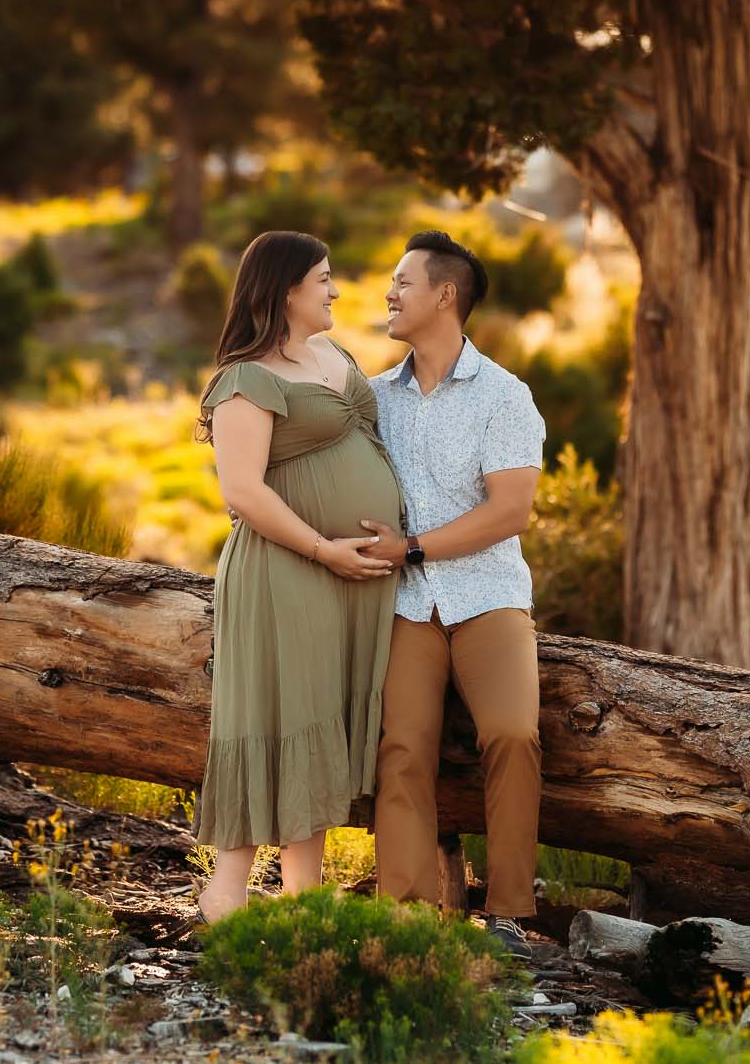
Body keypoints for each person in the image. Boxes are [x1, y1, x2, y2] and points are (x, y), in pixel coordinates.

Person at [191, 230, 406, 922]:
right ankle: (225, 893)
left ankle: (302, 895)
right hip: (288, 569)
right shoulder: (245, 379)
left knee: (319, 719)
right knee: (276, 716)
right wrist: (324, 549)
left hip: (351, 578)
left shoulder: (333, 356)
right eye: (323, 277)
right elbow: (243, 492)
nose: (335, 289)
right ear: (286, 289)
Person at [360, 229, 547, 960]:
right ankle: (403, 918)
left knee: (512, 733)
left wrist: (410, 546)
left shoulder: (506, 396)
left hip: (489, 595)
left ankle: (509, 915)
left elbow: (510, 511)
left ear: (446, 294)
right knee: (403, 746)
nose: (389, 292)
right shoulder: (373, 397)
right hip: (406, 604)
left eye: (403, 280)